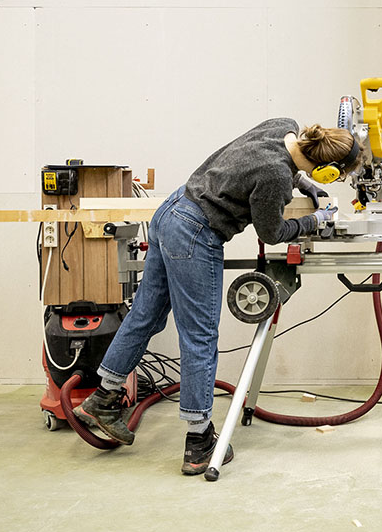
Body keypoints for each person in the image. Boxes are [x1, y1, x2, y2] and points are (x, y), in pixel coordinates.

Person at [77, 118, 356, 475]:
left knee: (145, 315)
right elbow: (273, 233)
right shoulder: (274, 176)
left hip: (172, 211)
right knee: (200, 336)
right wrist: (314, 221)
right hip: (196, 233)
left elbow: (264, 165)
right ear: (329, 171)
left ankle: (104, 398)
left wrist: (302, 182)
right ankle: (199, 442)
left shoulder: (283, 126)